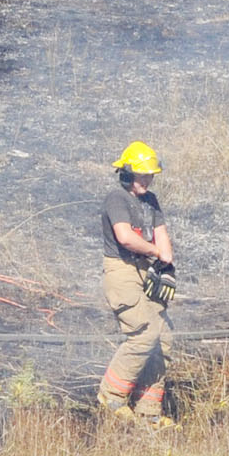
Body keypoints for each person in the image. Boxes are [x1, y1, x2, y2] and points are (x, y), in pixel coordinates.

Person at [99, 140, 178, 419]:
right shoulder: (116, 199)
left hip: (147, 268)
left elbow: (161, 235)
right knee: (144, 334)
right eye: (142, 175)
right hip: (122, 270)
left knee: (163, 340)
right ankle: (111, 396)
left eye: (150, 175)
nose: (147, 180)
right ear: (127, 174)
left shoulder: (150, 201)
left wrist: (165, 264)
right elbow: (125, 237)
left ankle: (148, 412)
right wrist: (156, 253)